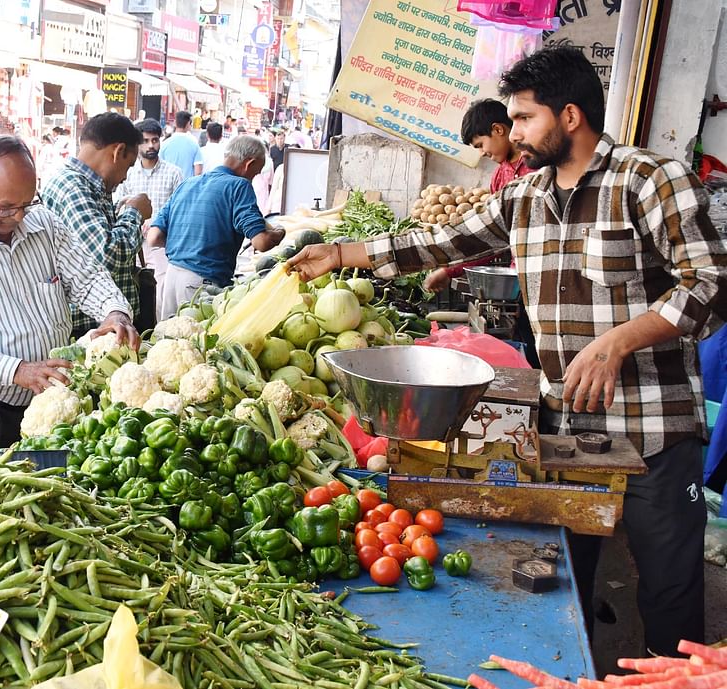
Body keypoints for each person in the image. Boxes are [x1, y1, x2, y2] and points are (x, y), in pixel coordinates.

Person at [288, 46, 726, 657]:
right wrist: (340, 254)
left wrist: (619, 342)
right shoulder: (524, 196)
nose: (512, 133)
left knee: (669, 596)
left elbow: (712, 282)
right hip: (566, 427)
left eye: (523, 119)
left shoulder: (647, 180)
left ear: (569, 116)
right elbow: (438, 242)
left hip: (653, 429)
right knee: (566, 580)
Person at [0, 135, 139, 484]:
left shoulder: (44, 224)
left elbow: (88, 277)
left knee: (46, 510)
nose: (18, 216)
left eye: (26, 203)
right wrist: (16, 370)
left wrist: (114, 313)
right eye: (6, 207)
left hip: (47, 413)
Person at [149, 136, 285, 318]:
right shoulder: (239, 186)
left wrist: (189, 246)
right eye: (256, 171)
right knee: (197, 343)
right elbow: (261, 242)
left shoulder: (188, 184)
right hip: (200, 285)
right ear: (249, 164)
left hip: (171, 279)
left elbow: (154, 237)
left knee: (168, 339)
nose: (254, 177)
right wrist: (280, 233)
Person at [43, 113, 152, 338]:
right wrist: (134, 214)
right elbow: (105, 256)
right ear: (118, 151)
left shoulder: (89, 186)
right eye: (128, 166)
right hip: (92, 325)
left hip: (105, 322)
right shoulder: (74, 187)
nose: (124, 177)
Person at [422, 98, 535, 294]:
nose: (482, 153)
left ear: (498, 130)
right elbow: (492, 235)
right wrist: (449, 271)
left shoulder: (537, 166)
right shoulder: (499, 177)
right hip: (516, 281)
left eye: (481, 145)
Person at [115, 118, 185, 317]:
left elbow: (179, 208)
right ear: (137, 144)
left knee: (162, 292)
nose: (151, 145)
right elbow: (120, 204)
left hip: (163, 242)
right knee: (136, 289)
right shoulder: (126, 173)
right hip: (133, 241)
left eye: (155, 140)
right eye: (145, 141)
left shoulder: (173, 173)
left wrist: (157, 224)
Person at [159, 111, 203, 178]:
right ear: (188, 124)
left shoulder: (164, 143)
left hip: (168, 184)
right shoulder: (194, 144)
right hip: (187, 185)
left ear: (175, 123)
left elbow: (159, 167)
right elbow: (198, 172)